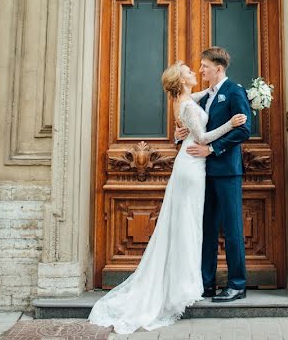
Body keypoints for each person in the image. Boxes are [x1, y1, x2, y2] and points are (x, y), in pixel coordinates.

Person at [88, 60, 247, 335]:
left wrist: (180, 132)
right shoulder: (186, 103)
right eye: (189, 70)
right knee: (189, 225)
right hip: (193, 167)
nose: (195, 71)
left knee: (192, 225)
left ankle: (197, 282)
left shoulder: (193, 97)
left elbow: (203, 100)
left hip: (198, 167)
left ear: (218, 68)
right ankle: (188, 286)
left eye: (202, 67)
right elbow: (202, 136)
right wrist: (230, 124)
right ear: (181, 80)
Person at [177, 46, 252, 303]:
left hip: (227, 171)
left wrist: (213, 149)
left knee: (232, 230)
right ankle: (206, 283)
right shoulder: (205, 97)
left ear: (218, 68)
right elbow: (196, 125)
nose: (201, 70)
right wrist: (181, 136)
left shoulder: (235, 91)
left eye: (205, 66)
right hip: (202, 173)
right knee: (206, 229)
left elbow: (244, 130)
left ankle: (237, 284)